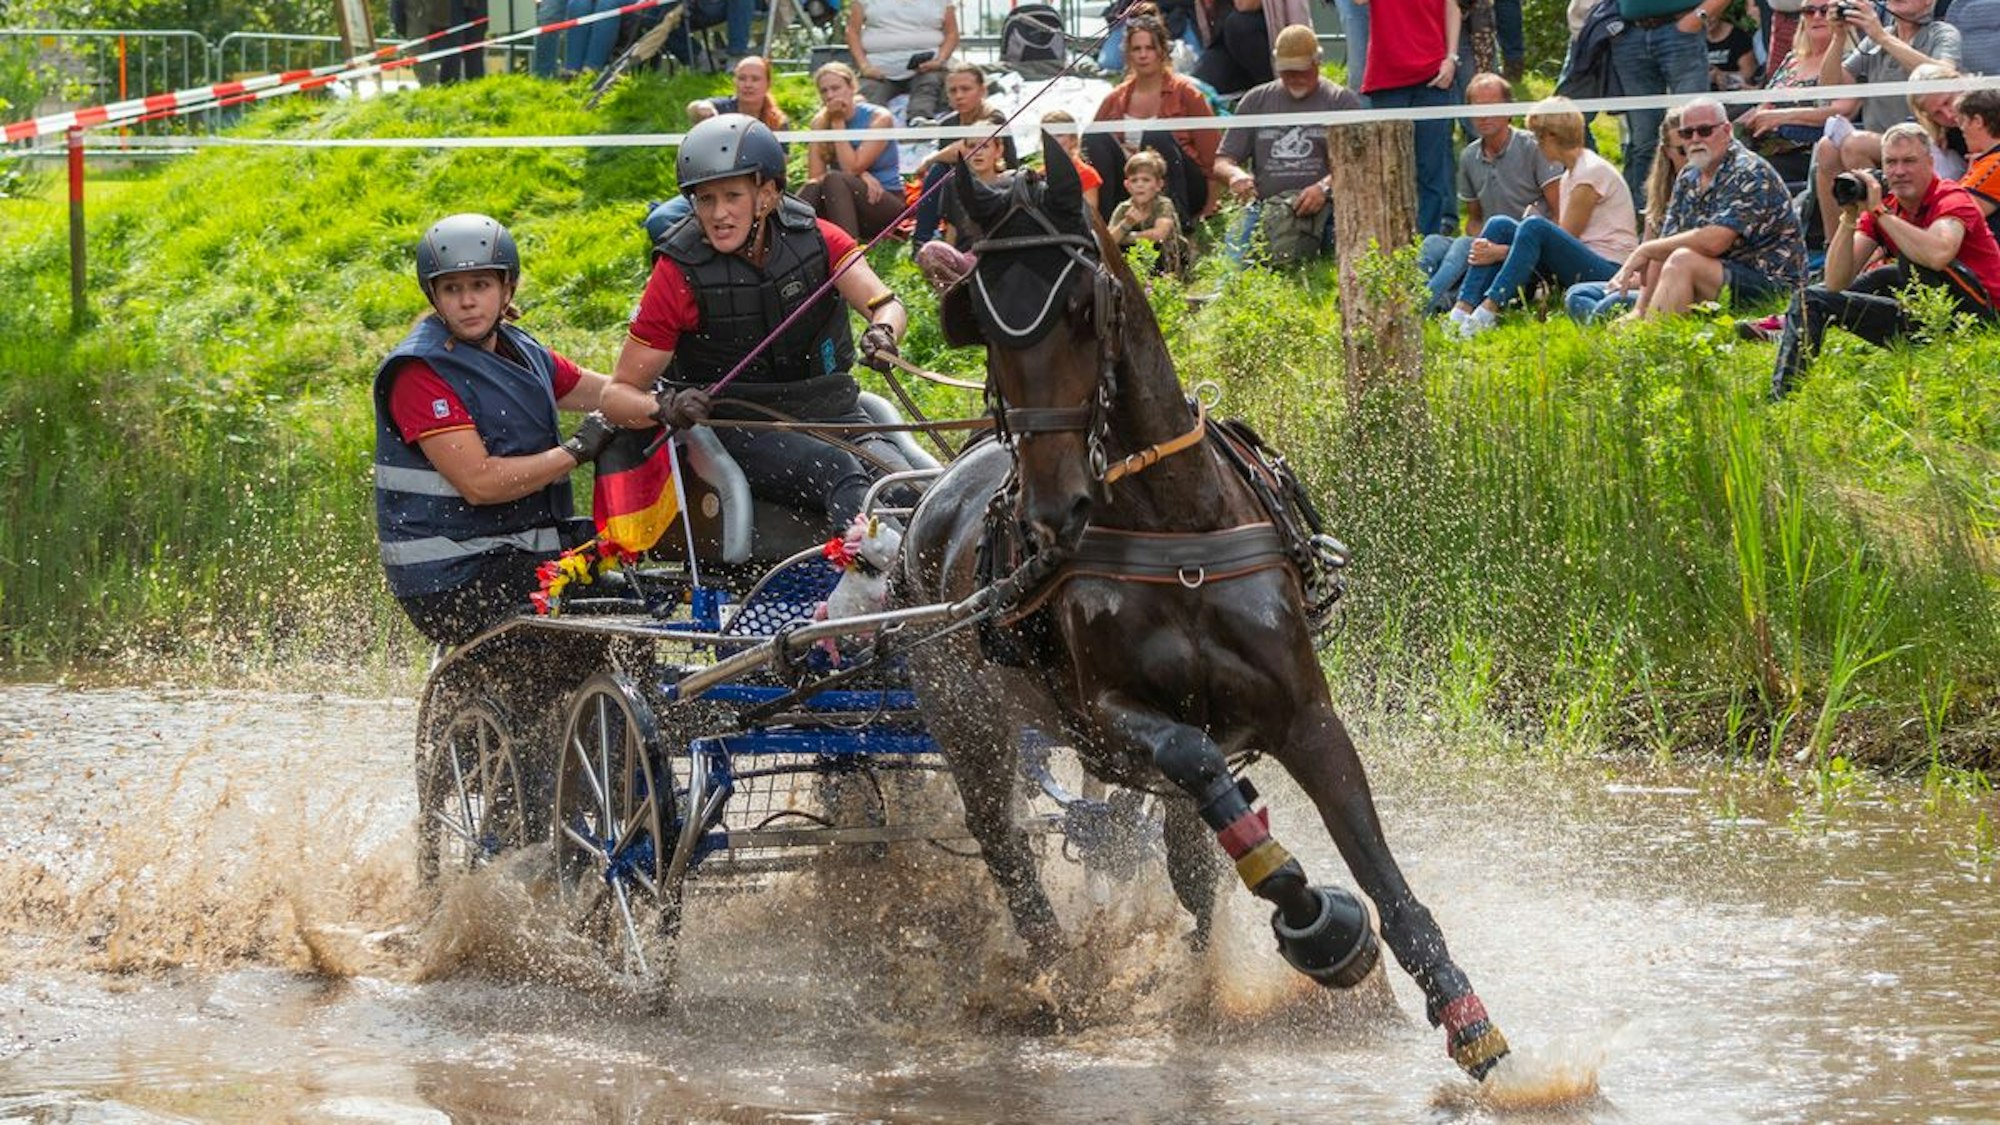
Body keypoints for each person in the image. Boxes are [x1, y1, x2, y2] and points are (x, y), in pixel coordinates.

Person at [605, 114, 917, 531]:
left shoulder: (821, 238)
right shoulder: (676, 273)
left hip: (833, 410)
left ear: (767, 194)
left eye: (731, 196)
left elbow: (888, 305)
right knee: (840, 471)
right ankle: (876, 585)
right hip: (739, 429)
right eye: (704, 199)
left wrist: (884, 332)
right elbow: (616, 395)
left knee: (903, 488)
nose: (717, 214)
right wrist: (664, 405)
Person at [374, 213, 617, 646]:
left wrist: (665, 397)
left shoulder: (522, 350)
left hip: (517, 556)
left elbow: (609, 393)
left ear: (508, 289)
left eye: (480, 286)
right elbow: (480, 483)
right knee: (594, 624)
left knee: (634, 601)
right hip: (452, 576)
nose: (468, 301)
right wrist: (579, 449)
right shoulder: (419, 371)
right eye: (453, 289)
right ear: (434, 296)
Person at [1766, 122, 2000, 396]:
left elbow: (1938, 255)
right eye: (1891, 162)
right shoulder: (1885, 208)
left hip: (1981, 318)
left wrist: (1878, 211)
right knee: (1813, 299)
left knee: (1910, 260)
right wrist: (1850, 216)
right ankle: (1784, 397)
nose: (1900, 171)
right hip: (1927, 316)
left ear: (1930, 163)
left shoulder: (1951, 197)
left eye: (1909, 161)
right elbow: (1835, 281)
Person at [1448, 97, 1638, 335]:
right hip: (1584, 259)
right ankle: (1461, 310)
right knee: (1500, 225)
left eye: (1538, 138)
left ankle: (1488, 311)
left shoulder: (1590, 174)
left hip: (1608, 269)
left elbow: (1566, 237)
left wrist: (1501, 252)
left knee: (1534, 227)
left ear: (1551, 137)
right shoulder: (1571, 174)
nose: (1537, 145)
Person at [1610, 95, 1806, 320]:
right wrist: (1640, 309)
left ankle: (1655, 344)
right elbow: (1664, 246)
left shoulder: (1749, 171)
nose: (1695, 139)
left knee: (1682, 260)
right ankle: (1653, 331)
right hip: (1716, 278)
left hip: (1773, 286)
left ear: (1726, 130)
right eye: (1686, 133)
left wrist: (1645, 249)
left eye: (1704, 131)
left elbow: (1715, 241)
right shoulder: (1688, 175)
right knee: (1591, 300)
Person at [1809, 0, 1962, 242]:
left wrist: (1881, 35)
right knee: (1827, 148)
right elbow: (1830, 87)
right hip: (1881, 141)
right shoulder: (1875, 40)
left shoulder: (1941, 33)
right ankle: (1836, 246)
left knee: (1854, 144)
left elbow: (1943, 76)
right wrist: (1838, 37)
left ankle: (1874, 243)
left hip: (1926, 146)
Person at [1214, 23, 1362, 266]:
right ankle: (1225, 290)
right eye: (1286, 70)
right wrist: (1234, 175)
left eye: (1300, 70)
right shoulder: (1256, 100)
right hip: (1267, 207)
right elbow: (1222, 161)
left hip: (1327, 209)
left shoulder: (1340, 101)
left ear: (1317, 62)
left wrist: (1324, 188)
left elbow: (1359, 165)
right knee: (1236, 251)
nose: (1293, 78)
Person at [1419, 71, 1562, 311]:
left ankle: (1415, 309)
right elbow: (1474, 218)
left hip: (1524, 252)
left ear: (1509, 109)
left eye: (1492, 106)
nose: (1483, 115)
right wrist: (1481, 244)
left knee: (1463, 246)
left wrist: (1505, 249)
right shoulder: (1468, 156)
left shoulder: (1534, 147)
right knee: (1434, 242)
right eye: (1476, 108)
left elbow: (1559, 213)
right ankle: (1409, 297)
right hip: (1487, 244)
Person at [1086, 3, 1222, 225]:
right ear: (1128, 55)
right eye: (1137, 49)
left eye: (1149, 48)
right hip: (1133, 184)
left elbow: (1213, 159)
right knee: (1095, 135)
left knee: (1155, 135)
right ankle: (1106, 225)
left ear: (1161, 51)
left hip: (1184, 185)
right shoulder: (1115, 99)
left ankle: (1175, 224)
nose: (1143, 55)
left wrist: (1208, 207)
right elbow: (1088, 151)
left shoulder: (1187, 94)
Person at [1566, 107, 1688, 322]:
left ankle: (1605, 335)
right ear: (1667, 151)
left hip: (1674, 284)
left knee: (1609, 303)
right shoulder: (1661, 192)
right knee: (1577, 294)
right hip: (1643, 281)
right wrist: (1631, 279)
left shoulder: (1701, 189)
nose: (1691, 154)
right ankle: (1609, 329)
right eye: (1683, 150)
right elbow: (1648, 252)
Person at [649, 57, 793, 239]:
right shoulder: (721, 108)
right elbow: (695, 108)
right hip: (710, 189)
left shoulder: (779, 122)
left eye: (755, 79)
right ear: (735, 82)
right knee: (659, 220)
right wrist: (702, 108)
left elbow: (779, 168)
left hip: (754, 196)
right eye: (742, 78)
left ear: (768, 83)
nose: (748, 84)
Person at [1358, 0, 1462, 238]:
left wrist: (1451, 59)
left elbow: (1452, 5)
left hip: (1433, 76)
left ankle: (1428, 242)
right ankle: (1392, 242)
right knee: (1390, 168)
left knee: (1431, 167)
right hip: (1387, 76)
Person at [1610, 0, 1725, 204]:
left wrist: (1699, 17)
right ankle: (1646, 217)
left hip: (1681, 30)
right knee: (1643, 141)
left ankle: (1703, 206)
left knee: (1696, 131)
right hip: (1630, 34)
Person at [910, 62, 1018, 251]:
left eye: (966, 89)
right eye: (952, 91)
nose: (959, 96)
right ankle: (922, 239)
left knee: (937, 168)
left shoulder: (994, 117)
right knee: (939, 171)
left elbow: (966, 149)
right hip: (961, 182)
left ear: (982, 90)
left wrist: (930, 159)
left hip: (997, 181)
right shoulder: (947, 124)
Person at [800, 62, 907, 240]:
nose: (830, 95)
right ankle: (779, 243)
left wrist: (837, 123)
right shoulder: (819, 122)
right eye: (824, 91)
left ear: (852, 88)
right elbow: (815, 177)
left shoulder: (879, 117)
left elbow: (851, 168)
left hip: (883, 200)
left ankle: (848, 256)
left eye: (836, 88)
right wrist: (862, 176)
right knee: (813, 187)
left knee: (835, 178)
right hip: (842, 203)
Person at [845, 0, 958, 123]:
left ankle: (920, 121)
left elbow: (951, 33)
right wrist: (864, 67)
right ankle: (872, 128)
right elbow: (852, 32)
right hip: (877, 70)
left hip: (928, 68)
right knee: (867, 95)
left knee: (930, 85)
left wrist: (940, 60)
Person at [1108, 148, 1191, 273]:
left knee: (1157, 246)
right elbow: (1109, 241)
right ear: (1127, 185)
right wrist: (1127, 223)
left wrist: (1126, 237)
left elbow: (1159, 234)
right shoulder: (1124, 208)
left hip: (1167, 258)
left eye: (1146, 180)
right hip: (1136, 260)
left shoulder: (1163, 204)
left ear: (1158, 185)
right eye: (1134, 180)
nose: (1139, 185)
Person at [1957, 86, 2000, 241]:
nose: (1960, 129)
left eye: (1962, 121)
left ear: (1977, 121)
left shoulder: (1996, 164)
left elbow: (1957, 213)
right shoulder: (1985, 161)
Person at [1707, 3, 1762, 89]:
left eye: (1711, 14)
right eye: (1703, 16)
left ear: (1719, 12)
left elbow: (1749, 75)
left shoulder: (1739, 37)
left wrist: (1721, 75)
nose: (1707, 20)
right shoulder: (1692, 41)